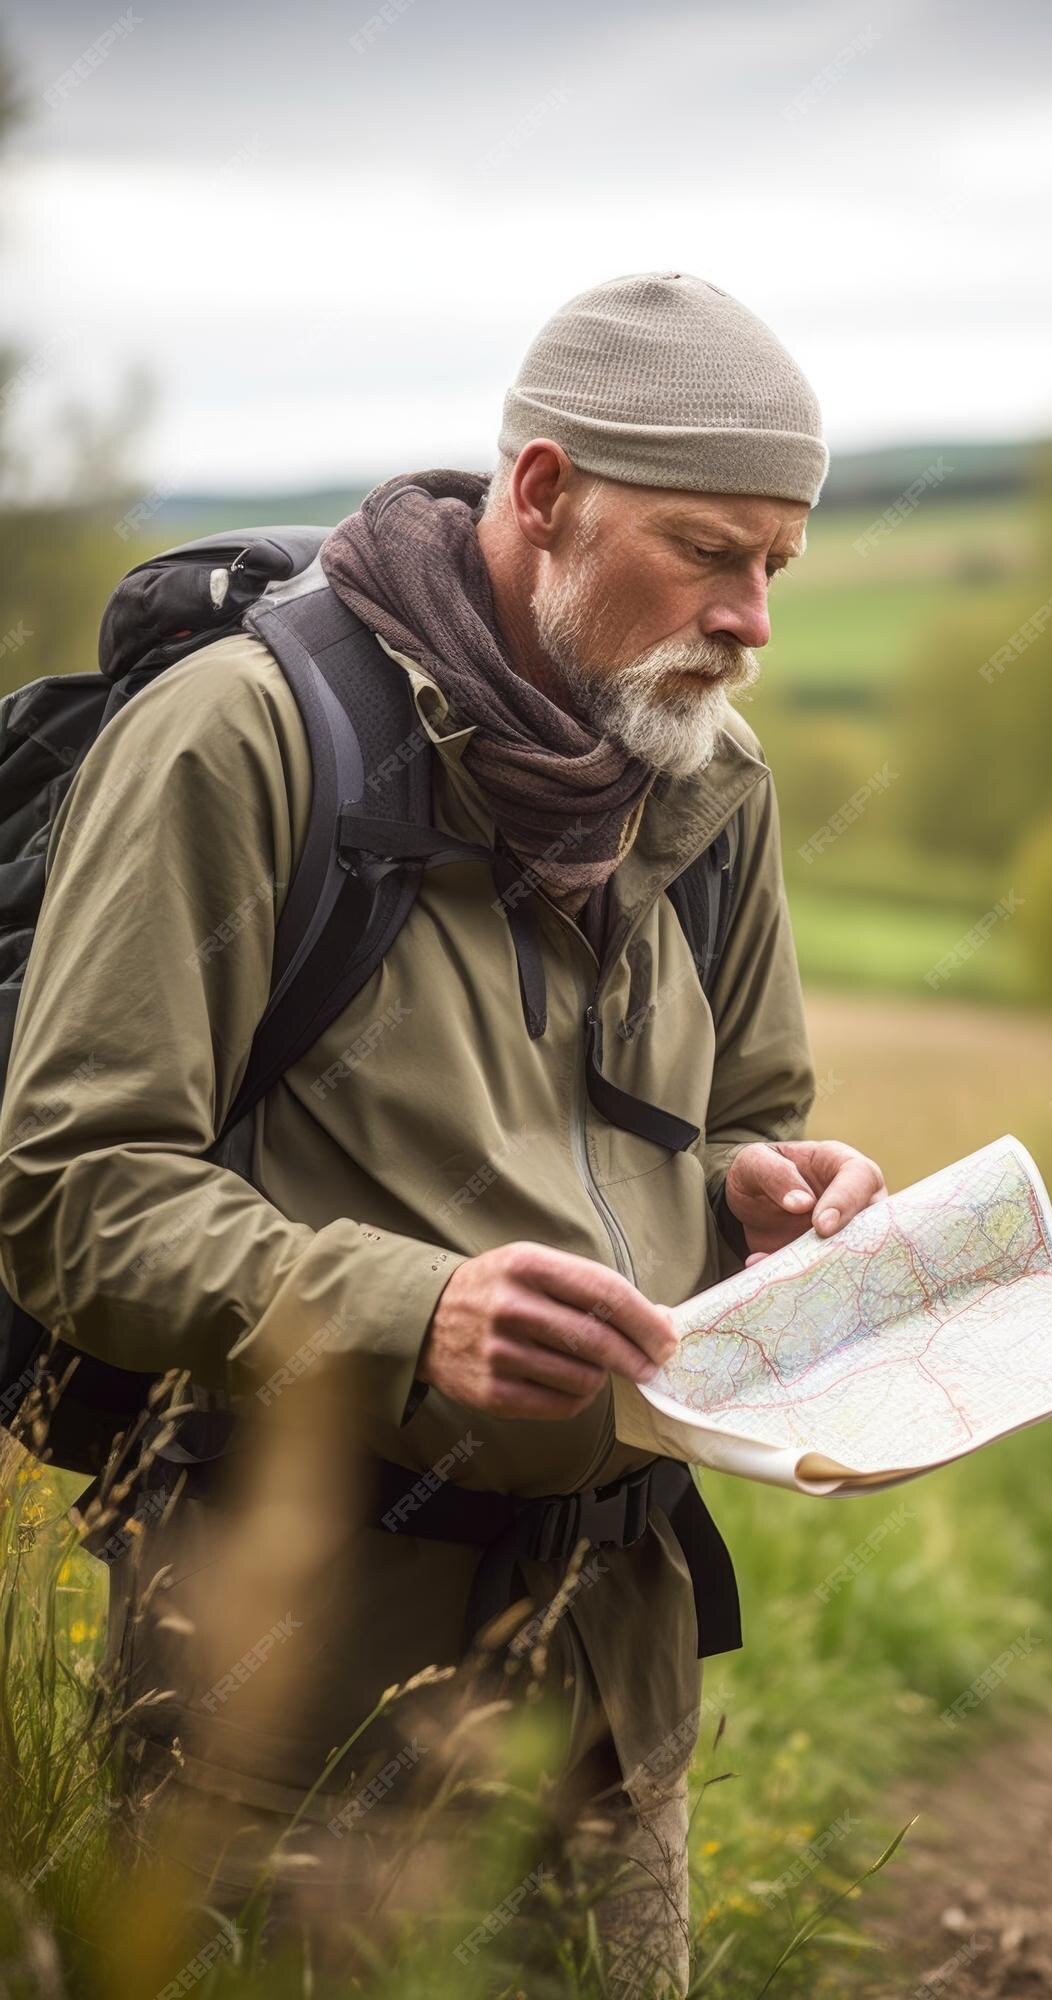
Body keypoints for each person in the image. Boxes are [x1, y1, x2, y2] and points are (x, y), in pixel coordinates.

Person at [0, 271, 888, 1995]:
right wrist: (418, 1311)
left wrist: (769, 1190)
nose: (753, 618)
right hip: (283, 1677)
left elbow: (746, 1116)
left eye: (778, 563)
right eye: (710, 551)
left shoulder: (705, 773)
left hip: (616, 1667)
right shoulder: (247, 739)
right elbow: (70, 1193)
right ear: (544, 496)